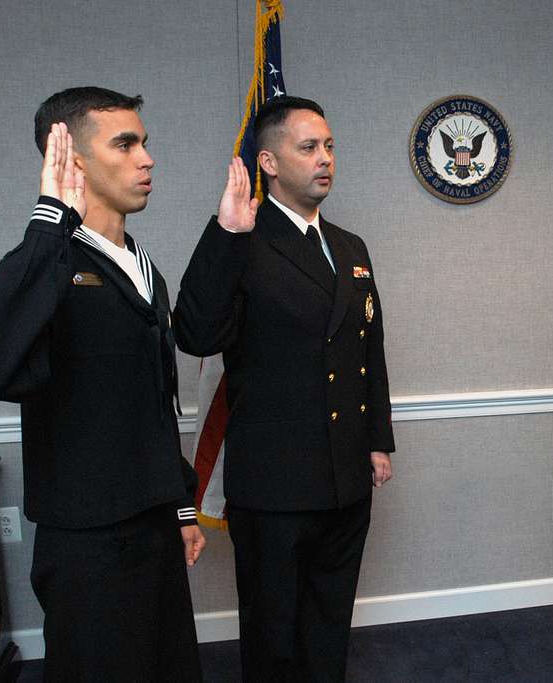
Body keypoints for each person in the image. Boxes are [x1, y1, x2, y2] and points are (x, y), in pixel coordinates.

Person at [0, 87, 204, 682]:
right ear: (72, 159)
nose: (147, 158)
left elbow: (155, 403)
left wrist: (182, 506)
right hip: (88, 541)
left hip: (154, 528)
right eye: (125, 143)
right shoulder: (50, 261)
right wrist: (49, 221)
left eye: (144, 142)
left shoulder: (146, 271)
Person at [173, 95, 395, 681]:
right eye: (308, 148)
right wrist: (225, 234)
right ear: (268, 162)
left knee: (328, 623)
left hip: (345, 479)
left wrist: (378, 440)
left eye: (329, 147)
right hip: (273, 486)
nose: (325, 159)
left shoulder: (350, 247)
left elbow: (367, 351)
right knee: (274, 639)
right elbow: (195, 333)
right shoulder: (242, 238)